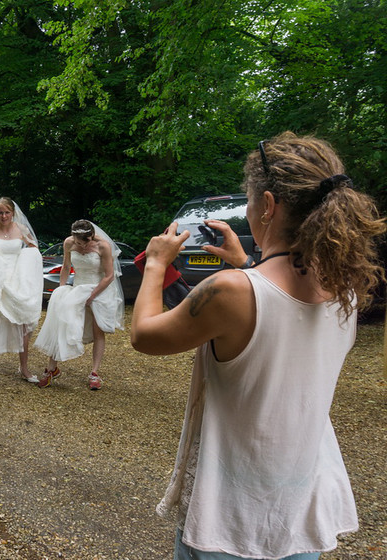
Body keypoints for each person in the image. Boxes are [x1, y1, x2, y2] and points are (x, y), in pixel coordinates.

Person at [131, 132, 386, 560]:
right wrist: (249, 263)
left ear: (268, 206)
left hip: (228, 520)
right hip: (299, 513)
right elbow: (280, 310)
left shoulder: (231, 292)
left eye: (250, 202)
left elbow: (144, 336)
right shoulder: (346, 288)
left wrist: (156, 262)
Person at [35, 220, 124, 390]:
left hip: (99, 290)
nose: (80, 246)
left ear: (91, 236)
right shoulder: (69, 242)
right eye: (77, 242)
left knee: (98, 330)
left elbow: (109, 275)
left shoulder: (103, 247)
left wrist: (93, 295)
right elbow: (66, 267)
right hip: (77, 289)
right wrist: (61, 290)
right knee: (61, 323)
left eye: (83, 242)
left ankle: (94, 373)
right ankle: (51, 369)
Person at [0, 197, 43, 387]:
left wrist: (26, 264)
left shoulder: (21, 229)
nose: (3, 216)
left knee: (22, 324)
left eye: (6, 212)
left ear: (13, 213)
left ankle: (24, 368)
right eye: (0, 212)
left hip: (16, 280)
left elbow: (33, 248)